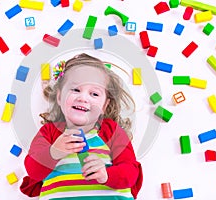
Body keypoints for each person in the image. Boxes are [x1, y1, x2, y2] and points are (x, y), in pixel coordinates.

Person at [20, 53, 143, 199]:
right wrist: (54, 152)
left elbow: (131, 173)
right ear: (59, 97)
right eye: (76, 90)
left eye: (94, 94)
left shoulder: (112, 131)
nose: (83, 98)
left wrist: (106, 174)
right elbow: (33, 170)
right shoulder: (50, 132)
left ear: (105, 105)